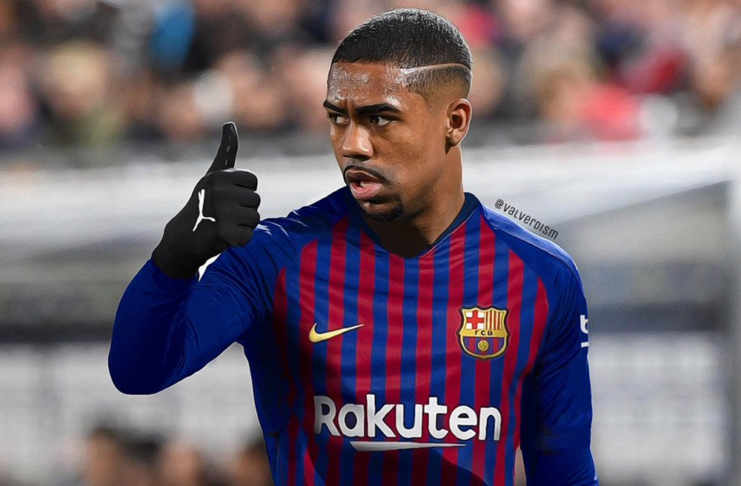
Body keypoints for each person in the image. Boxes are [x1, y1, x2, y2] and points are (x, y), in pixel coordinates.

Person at [109, 8, 598, 486]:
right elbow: (139, 372)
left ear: (455, 121)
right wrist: (174, 261)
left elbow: (565, 471)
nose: (352, 144)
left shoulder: (542, 275)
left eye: (379, 118)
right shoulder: (272, 259)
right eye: (337, 118)